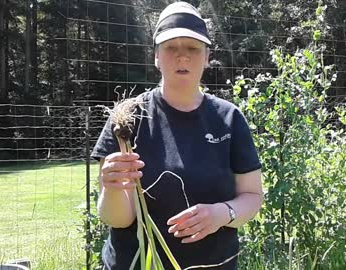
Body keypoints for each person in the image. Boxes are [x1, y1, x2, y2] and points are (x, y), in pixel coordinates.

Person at [91, 2, 262, 269]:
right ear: (156, 56)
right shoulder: (127, 118)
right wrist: (112, 188)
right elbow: (118, 219)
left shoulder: (229, 118)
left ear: (207, 57)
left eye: (193, 48)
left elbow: (252, 197)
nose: (182, 57)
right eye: (171, 47)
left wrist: (222, 213)